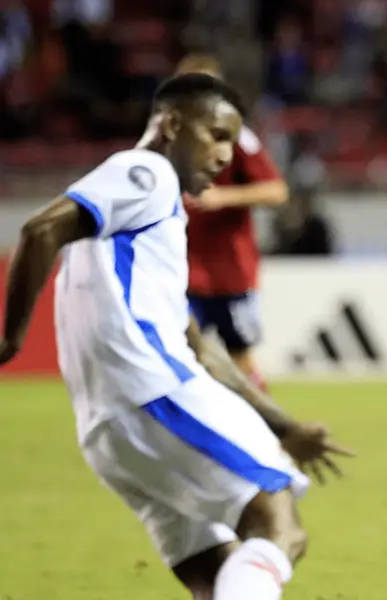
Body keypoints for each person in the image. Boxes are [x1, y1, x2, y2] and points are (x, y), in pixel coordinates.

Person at [0, 73, 349, 600]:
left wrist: (284, 426)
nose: (226, 155)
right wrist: (9, 339)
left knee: (214, 573)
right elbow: (39, 229)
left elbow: (200, 348)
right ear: (170, 125)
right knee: (279, 526)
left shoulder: (133, 234)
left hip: (106, 431)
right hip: (154, 394)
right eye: (216, 135)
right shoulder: (147, 173)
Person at [177, 53, 290, 391]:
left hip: (230, 271)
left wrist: (222, 197)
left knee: (240, 359)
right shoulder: (167, 141)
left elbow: (277, 191)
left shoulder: (238, 138)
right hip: (182, 270)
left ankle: (262, 420)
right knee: (177, 356)